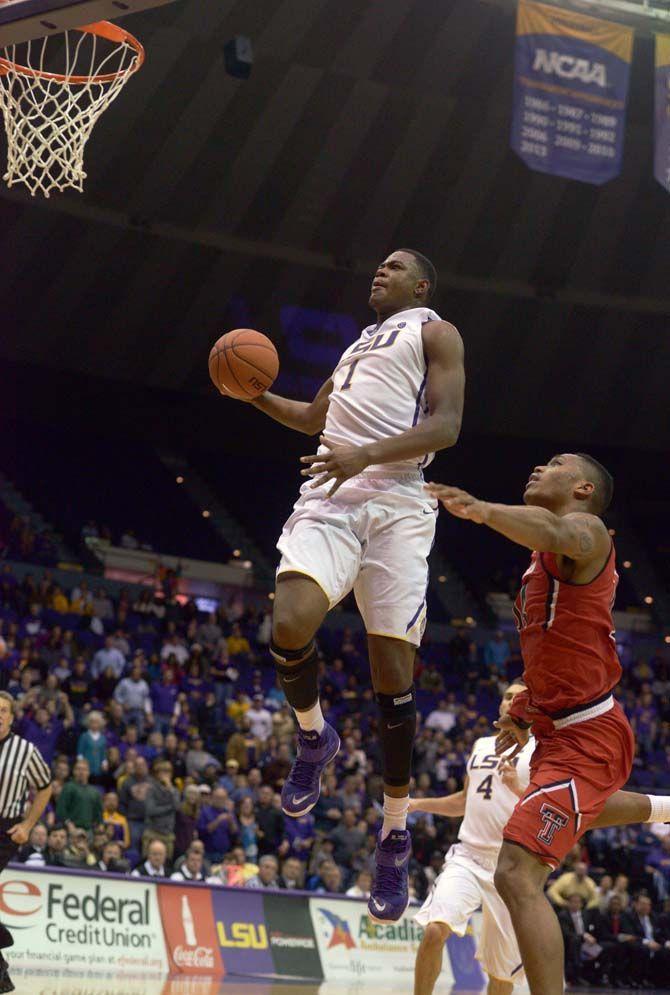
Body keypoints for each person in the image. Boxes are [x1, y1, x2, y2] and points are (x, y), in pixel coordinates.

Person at [234, 249, 465, 923]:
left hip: (398, 500)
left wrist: (366, 452)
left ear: (421, 283)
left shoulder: (435, 331)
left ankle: (394, 833)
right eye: (379, 264)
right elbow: (312, 420)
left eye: (394, 266)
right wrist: (252, 392)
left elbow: (447, 427)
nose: (379, 270)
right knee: (288, 623)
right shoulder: (358, 346)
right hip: (333, 489)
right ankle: (314, 736)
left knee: (392, 674)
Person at [427, 454, 670, 995]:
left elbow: (560, 529)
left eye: (555, 463)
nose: (538, 466)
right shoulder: (543, 556)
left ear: (583, 488)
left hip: (589, 733)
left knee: (515, 872)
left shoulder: (586, 533)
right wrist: (524, 710)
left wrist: (482, 509)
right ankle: (664, 807)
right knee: (554, 822)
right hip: (559, 727)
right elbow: (552, 653)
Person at [412, 681, 534, 995]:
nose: (510, 702)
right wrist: (415, 804)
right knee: (434, 932)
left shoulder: (542, 751)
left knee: (501, 973)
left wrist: (519, 789)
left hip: (511, 867)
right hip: (468, 856)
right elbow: (463, 801)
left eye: (518, 698)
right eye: (507, 697)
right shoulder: (481, 744)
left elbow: (547, 807)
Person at [0, 692, 52, 994]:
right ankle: (1, 973)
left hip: (5, 829)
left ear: (11, 717)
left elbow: (45, 787)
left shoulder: (25, 750)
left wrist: (29, 824)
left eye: (4, 710)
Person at [55, 758, 102, 830]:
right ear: (74, 771)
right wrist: (69, 824)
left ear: (88, 772)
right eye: (78, 769)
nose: (81, 772)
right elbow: (61, 810)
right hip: (71, 829)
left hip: (89, 831)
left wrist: (99, 826)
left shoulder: (95, 792)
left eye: (84, 769)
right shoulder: (68, 787)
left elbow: (98, 815)